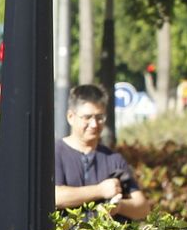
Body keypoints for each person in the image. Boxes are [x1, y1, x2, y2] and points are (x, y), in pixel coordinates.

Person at [54, 83, 150, 220]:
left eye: (100, 118)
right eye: (87, 117)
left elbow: (143, 209)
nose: (94, 124)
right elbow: (55, 197)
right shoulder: (55, 153)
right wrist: (100, 190)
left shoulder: (114, 159)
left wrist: (119, 207)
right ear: (70, 117)